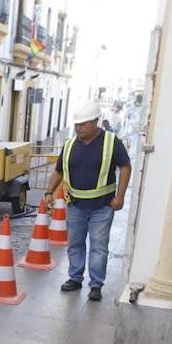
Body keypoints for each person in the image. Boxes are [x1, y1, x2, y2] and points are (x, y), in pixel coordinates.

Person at [43, 102, 131, 302]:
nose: (78, 128)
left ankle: (96, 285)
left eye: (82, 124)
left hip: (102, 206)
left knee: (99, 246)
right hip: (76, 205)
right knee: (75, 244)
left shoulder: (111, 142)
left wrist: (120, 196)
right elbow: (59, 170)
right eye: (76, 125)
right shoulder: (70, 144)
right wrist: (49, 191)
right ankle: (75, 278)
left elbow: (125, 167)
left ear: (95, 122)